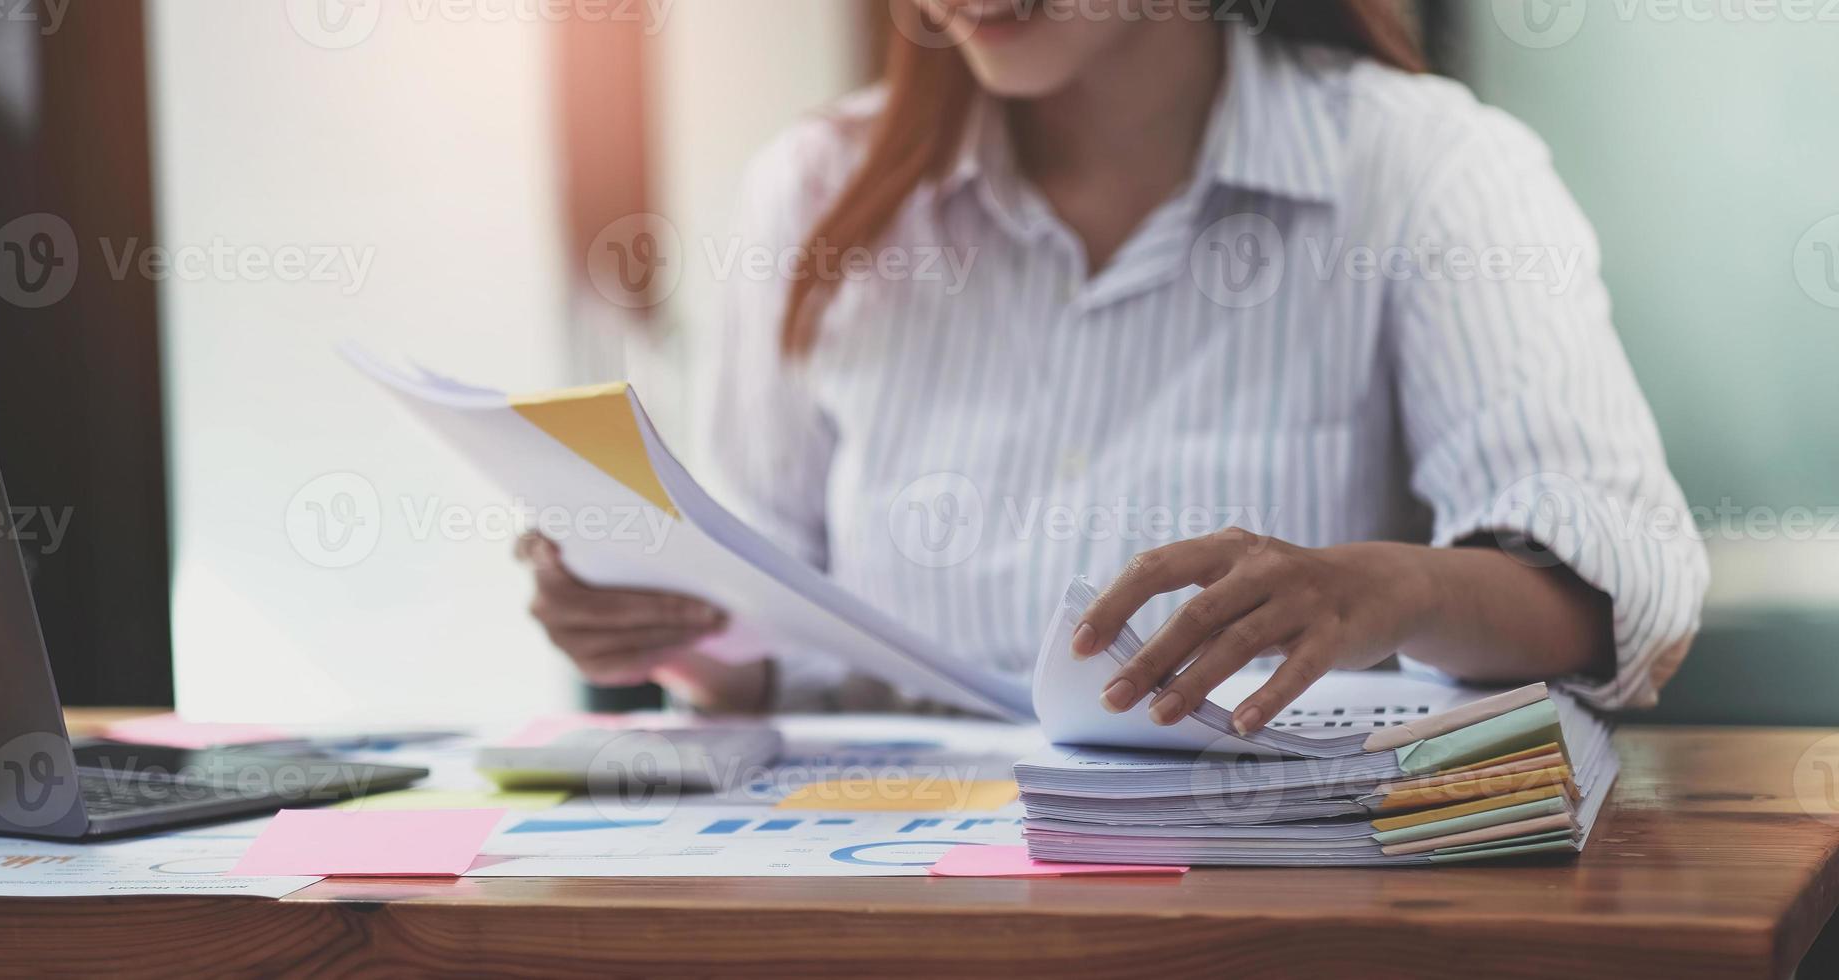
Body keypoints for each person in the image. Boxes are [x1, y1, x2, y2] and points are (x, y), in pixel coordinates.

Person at [519, 0, 1708, 729]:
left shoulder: (1427, 169)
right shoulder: (813, 192)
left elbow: (1629, 590)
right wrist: (663, 624)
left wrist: (1384, 587)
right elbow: (776, 650)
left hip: (1261, 913)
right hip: (893, 899)